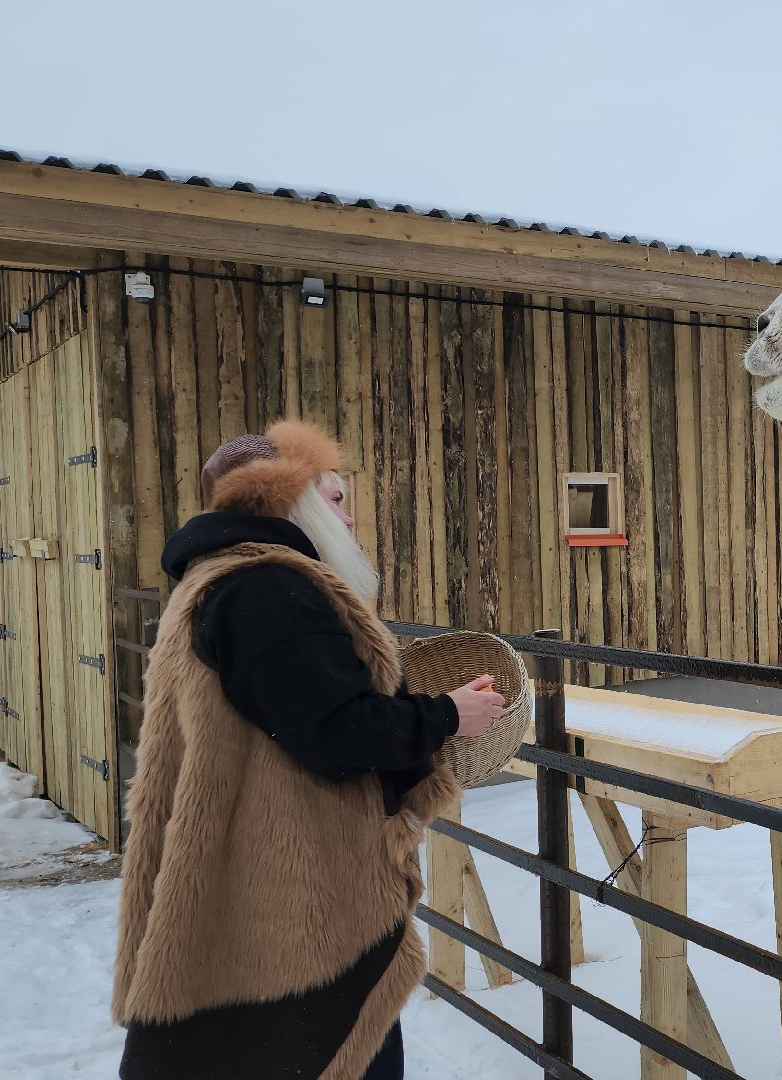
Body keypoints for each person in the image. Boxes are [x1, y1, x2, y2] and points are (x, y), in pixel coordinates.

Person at [113, 420, 504, 1080]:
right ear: (290, 502)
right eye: (337, 500)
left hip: (256, 884)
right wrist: (448, 714)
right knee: (335, 1051)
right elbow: (337, 731)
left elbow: (297, 704)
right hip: (300, 904)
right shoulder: (270, 589)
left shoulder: (217, 580)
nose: (350, 520)